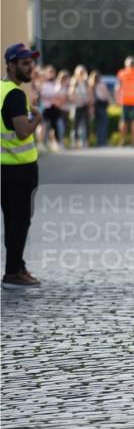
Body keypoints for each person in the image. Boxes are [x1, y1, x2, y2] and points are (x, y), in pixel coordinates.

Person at [1, 44, 43, 289]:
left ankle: (18, 265)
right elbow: (22, 132)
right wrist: (36, 118)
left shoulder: (1, 89)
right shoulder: (16, 95)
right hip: (20, 169)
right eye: (25, 63)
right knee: (20, 221)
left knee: (11, 220)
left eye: (31, 62)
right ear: (11, 65)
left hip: (4, 168)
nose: (30, 67)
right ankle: (12, 273)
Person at [69, 64, 91, 149]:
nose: (82, 74)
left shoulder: (86, 83)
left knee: (86, 124)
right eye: (80, 72)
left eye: (83, 72)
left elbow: (89, 94)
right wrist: (77, 100)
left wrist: (87, 101)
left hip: (85, 105)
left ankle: (85, 142)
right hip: (77, 106)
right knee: (76, 124)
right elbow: (71, 94)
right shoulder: (74, 82)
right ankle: (75, 141)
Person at [89, 70, 110, 147]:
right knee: (103, 123)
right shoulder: (100, 85)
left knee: (99, 124)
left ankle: (100, 141)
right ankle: (102, 141)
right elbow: (106, 95)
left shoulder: (91, 85)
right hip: (100, 105)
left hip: (97, 105)